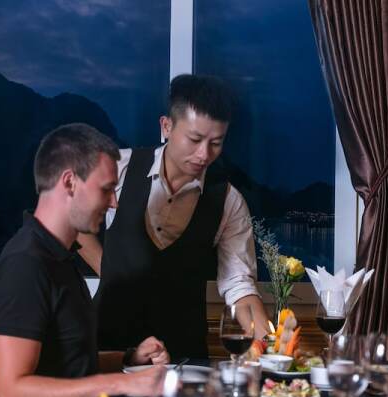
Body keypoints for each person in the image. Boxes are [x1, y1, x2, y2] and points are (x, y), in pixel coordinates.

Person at [0, 123, 170, 397]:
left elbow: (65, 361)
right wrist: (122, 383)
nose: (114, 202)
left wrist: (127, 358)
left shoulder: (58, 257)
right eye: (106, 189)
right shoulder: (26, 264)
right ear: (69, 182)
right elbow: (11, 395)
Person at [77, 74, 268, 359]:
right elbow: (73, 222)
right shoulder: (119, 168)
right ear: (166, 127)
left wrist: (269, 344)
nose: (204, 154)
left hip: (184, 358)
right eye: (195, 139)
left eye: (216, 143)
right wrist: (109, 269)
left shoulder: (229, 201)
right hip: (108, 350)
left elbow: (239, 285)